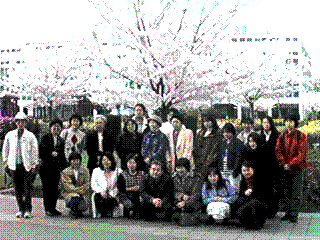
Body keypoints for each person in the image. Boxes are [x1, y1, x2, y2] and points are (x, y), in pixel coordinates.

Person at [2, 111, 40, 218]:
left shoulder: (30, 136)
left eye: (23, 122)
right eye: (19, 122)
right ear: (16, 123)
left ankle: (28, 209)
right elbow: (6, 148)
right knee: (17, 189)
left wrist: (34, 165)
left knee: (27, 189)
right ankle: (20, 209)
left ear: (25, 123)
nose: (21, 124)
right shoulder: (10, 135)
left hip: (26, 166)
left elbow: (34, 151)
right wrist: (6, 160)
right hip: (14, 165)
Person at [275, 113, 309, 223]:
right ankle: (287, 212)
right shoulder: (282, 135)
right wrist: (283, 163)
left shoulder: (301, 136)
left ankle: (294, 214)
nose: (288, 123)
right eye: (287, 121)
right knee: (286, 191)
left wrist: (290, 164)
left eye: (291, 121)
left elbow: (301, 153)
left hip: (296, 168)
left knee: (295, 191)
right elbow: (278, 150)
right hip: (284, 168)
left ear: (296, 122)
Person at [39, 118, 67, 217]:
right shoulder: (45, 138)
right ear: (50, 127)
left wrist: (65, 168)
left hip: (56, 168)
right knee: (47, 188)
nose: (56, 128)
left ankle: (53, 208)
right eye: (54, 126)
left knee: (55, 188)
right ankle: (47, 208)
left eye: (58, 126)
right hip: (46, 167)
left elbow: (62, 154)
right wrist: (50, 153)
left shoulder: (61, 140)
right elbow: (41, 151)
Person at [231, 161, 270, 230]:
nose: (246, 172)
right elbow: (241, 194)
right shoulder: (242, 181)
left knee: (254, 203)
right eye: (244, 170)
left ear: (253, 169)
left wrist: (252, 192)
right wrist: (245, 193)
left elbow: (264, 195)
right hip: (247, 202)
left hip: (259, 203)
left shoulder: (260, 179)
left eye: (248, 170)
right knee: (238, 202)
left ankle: (257, 223)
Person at [259, 116, 281, 218]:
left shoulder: (277, 135)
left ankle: (273, 210)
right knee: (264, 188)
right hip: (263, 167)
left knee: (274, 189)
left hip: (274, 166)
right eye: (264, 123)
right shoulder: (260, 135)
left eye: (268, 122)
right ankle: (265, 210)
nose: (266, 124)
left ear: (271, 123)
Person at [172, 158, 203, 225]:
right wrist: (181, 196)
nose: (180, 170)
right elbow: (173, 191)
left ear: (187, 168)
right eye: (178, 168)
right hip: (179, 202)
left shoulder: (196, 178)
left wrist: (186, 202)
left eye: (182, 168)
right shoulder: (174, 178)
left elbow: (197, 194)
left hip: (193, 203)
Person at [91, 152, 122, 218]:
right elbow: (93, 185)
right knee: (97, 196)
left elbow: (118, 186)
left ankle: (108, 211)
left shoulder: (118, 171)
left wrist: (111, 194)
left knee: (112, 200)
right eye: (104, 160)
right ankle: (103, 212)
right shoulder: (96, 171)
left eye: (108, 160)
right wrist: (102, 192)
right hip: (100, 194)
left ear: (112, 161)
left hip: (113, 195)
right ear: (101, 161)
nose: (106, 162)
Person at [60, 152, 91, 218]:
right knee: (75, 199)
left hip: (83, 194)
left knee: (83, 205)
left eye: (77, 160)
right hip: (70, 194)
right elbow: (68, 187)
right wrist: (77, 192)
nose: (75, 162)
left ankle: (76, 210)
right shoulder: (65, 172)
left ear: (80, 160)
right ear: (70, 161)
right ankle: (75, 210)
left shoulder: (85, 171)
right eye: (73, 160)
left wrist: (79, 192)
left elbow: (87, 184)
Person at [193, 114, 224, 178]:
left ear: (212, 121)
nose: (206, 123)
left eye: (208, 121)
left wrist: (209, 161)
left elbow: (216, 149)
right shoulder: (200, 133)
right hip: (200, 162)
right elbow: (196, 147)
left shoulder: (217, 134)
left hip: (212, 163)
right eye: (204, 121)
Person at [216, 123, 245, 189]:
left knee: (234, 190)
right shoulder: (223, 143)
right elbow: (220, 156)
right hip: (223, 171)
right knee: (224, 190)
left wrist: (235, 171)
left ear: (232, 132)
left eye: (228, 132)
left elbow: (239, 158)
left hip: (233, 172)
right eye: (225, 132)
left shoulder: (238, 142)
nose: (226, 134)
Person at [117, 155, 146, 219]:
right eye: (129, 163)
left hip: (139, 197)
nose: (131, 165)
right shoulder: (122, 175)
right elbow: (120, 189)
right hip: (126, 197)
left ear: (137, 164)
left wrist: (139, 188)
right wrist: (131, 189)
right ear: (127, 163)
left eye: (133, 163)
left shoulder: (142, 174)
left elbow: (145, 187)